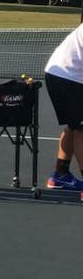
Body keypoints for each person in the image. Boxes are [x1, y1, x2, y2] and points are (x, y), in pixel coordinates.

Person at [43, 23, 83, 190]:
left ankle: (61, 175)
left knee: (75, 125)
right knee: (81, 129)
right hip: (68, 77)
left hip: (60, 75)